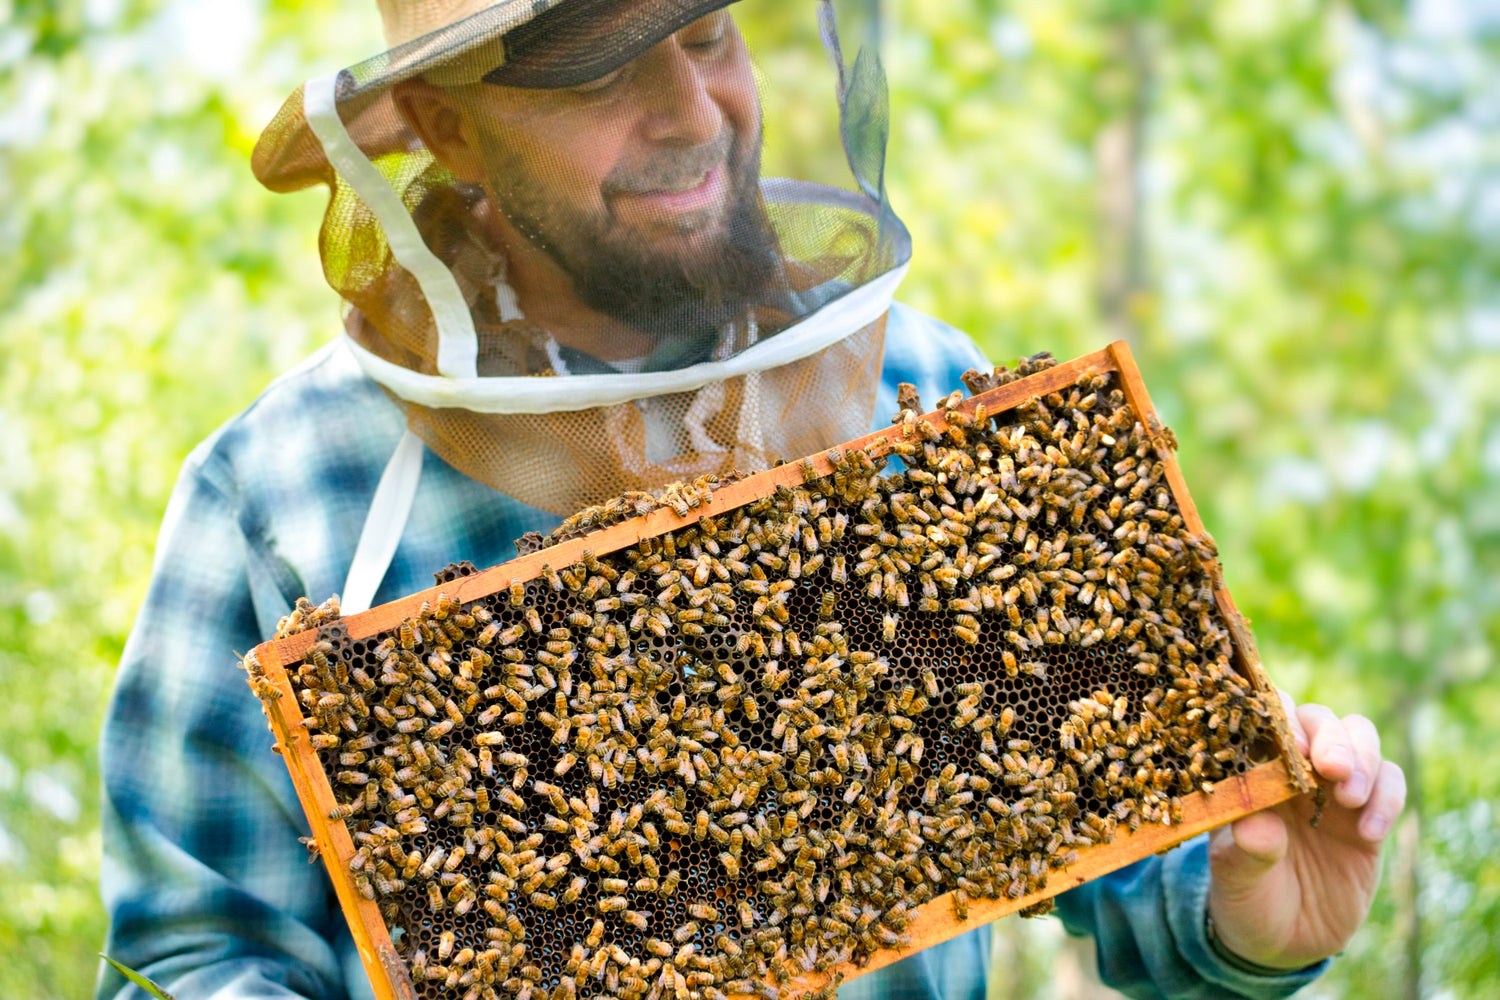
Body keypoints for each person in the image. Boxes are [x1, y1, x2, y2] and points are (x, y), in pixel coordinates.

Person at [97, 2, 1407, 998]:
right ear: (449, 127)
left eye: (709, 32)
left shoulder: (923, 396)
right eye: (601, 68)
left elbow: (1112, 827)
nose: (690, 110)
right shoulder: (277, 494)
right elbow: (190, 955)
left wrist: (1246, 919)